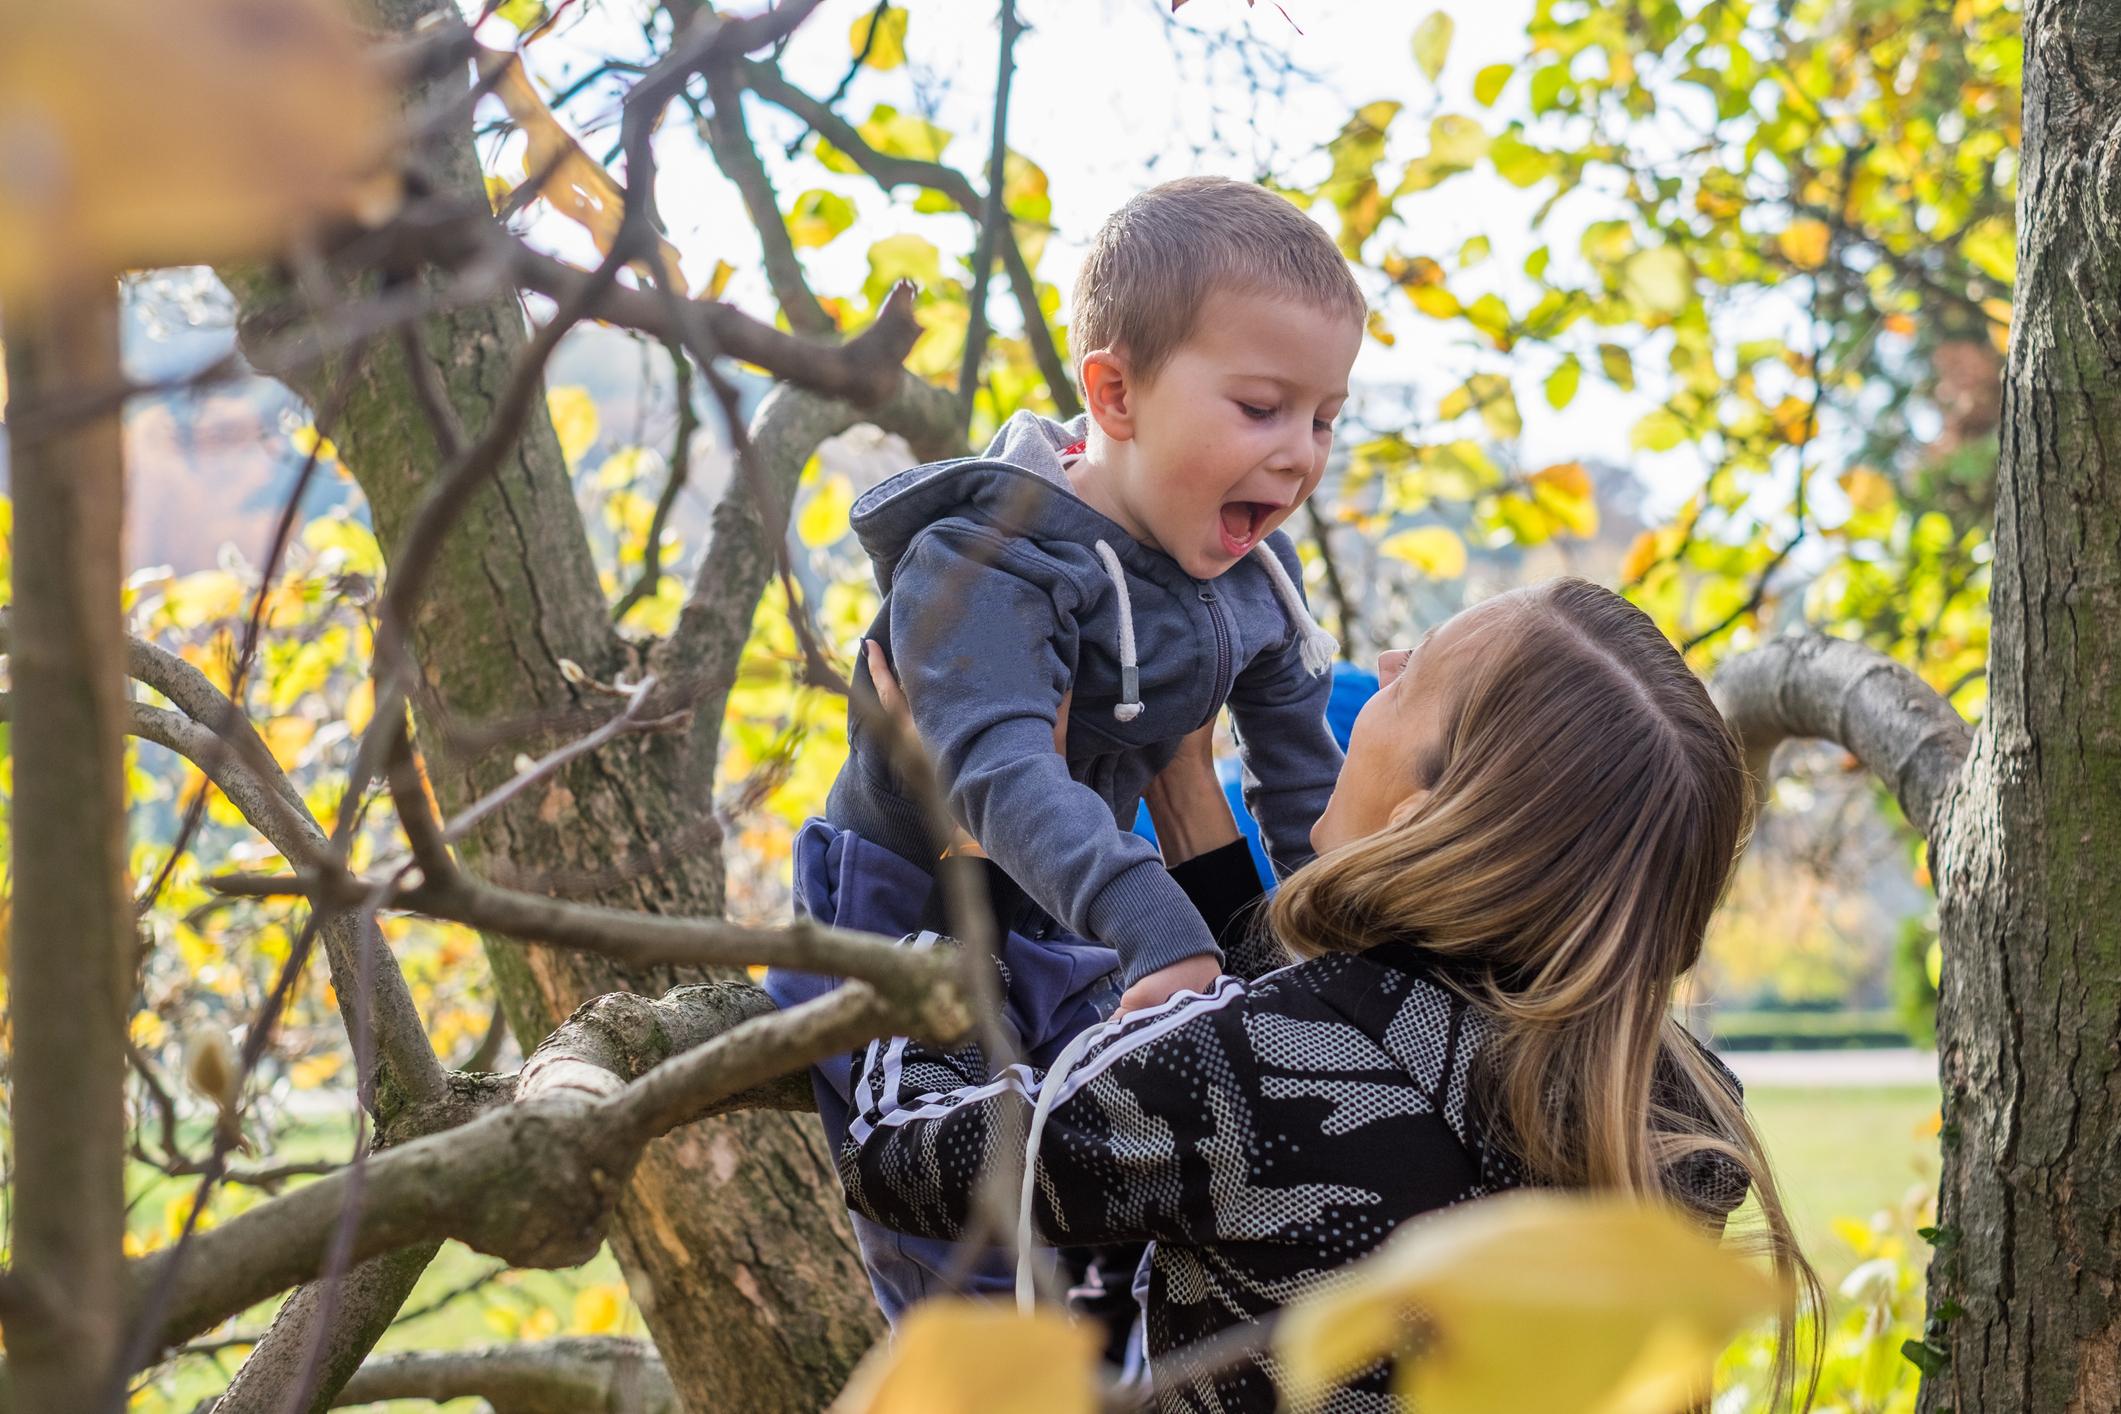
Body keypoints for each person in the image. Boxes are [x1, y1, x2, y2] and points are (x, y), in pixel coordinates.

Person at [838, 579, 1821, 1412]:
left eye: (1417, 675)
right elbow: (1360, 1040)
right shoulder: (1683, 1113)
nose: (1385, 665)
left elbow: (901, 1155)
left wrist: (970, 843)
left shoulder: (1251, 1074)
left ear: (1424, 813)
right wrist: (1188, 786)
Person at [766, 175, 1366, 1317]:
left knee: (1108, 1230)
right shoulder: (991, 561)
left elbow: (1304, 782)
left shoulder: (1244, 582)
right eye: (1260, 408)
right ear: (1115, 392)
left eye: (1324, 417)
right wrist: (1159, 931)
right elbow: (995, 770)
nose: (1299, 456)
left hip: (1074, 911)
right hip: (914, 905)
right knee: (975, 1252)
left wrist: (1345, 949)